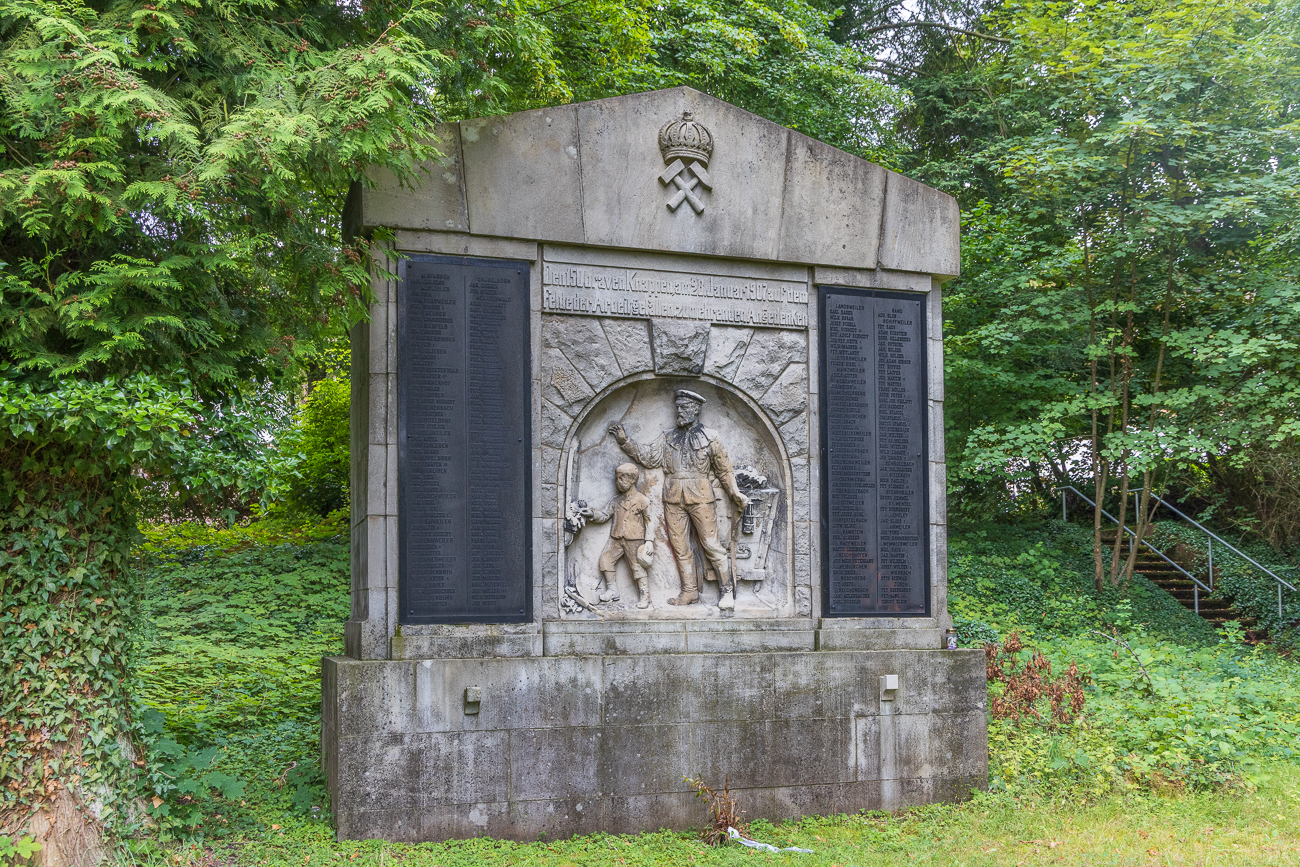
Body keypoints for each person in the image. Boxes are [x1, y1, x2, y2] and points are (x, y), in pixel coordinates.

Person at [609, 388, 749, 608]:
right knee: (680, 548)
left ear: (696, 410)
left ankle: (726, 591)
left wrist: (734, 492)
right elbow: (647, 457)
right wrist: (626, 441)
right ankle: (690, 592)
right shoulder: (668, 436)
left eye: (684, 407)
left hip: (702, 498)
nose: (679, 412)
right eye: (677, 407)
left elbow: (724, 470)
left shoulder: (711, 438)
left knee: (712, 546)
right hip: (673, 498)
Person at [583, 463, 655, 608]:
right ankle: (612, 590)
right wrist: (592, 514)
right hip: (616, 538)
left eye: (622, 478)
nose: (618, 482)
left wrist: (649, 542)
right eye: (617, 478)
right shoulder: (616, 500)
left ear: (633, 479)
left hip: (635, 539)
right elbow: (604, 515)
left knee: (637, 567)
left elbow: (650, 522)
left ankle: (645, 595)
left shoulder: (643, 500)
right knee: (605, 560)